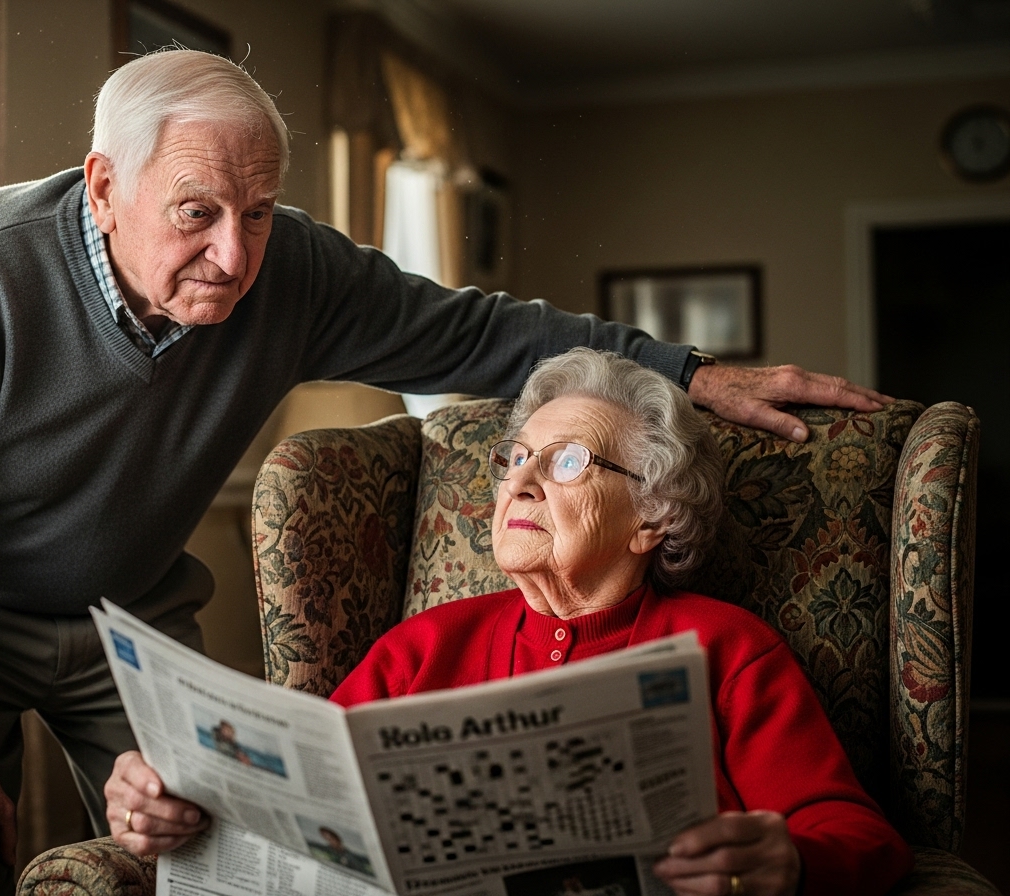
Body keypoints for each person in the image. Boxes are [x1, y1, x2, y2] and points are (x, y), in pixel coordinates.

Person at [0, 47, 889, 896]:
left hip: (129, 612)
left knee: (187, 854)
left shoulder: (289, 269)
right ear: (105, 186)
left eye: (257, 212)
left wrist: (684, 371)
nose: (237, 259)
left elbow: (481, 333)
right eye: (196, 211)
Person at [108, 349, 912, 896]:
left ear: (651, 519)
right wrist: (169, 798)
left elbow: (860, 835)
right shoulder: (424, 646)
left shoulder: (725, 647)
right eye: (514, 458)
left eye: (567, 462)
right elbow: (296, 796)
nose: (519, 481)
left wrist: (789, 862)